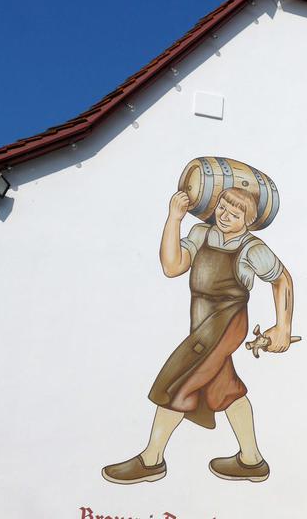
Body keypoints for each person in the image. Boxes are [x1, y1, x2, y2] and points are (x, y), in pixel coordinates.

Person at [102, 187, 294, 484]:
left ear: (249, 220)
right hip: (202, 322)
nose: (225, 216)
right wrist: (174, 219)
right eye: (222, 208)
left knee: (176, 379)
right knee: (224, 388)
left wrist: (283, 326)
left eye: (234, 213)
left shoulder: (252, 248)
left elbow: (282, 279)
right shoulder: (201, 233)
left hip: (227, 321)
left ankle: (151, 460)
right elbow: (172, 266)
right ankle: (252, 461)